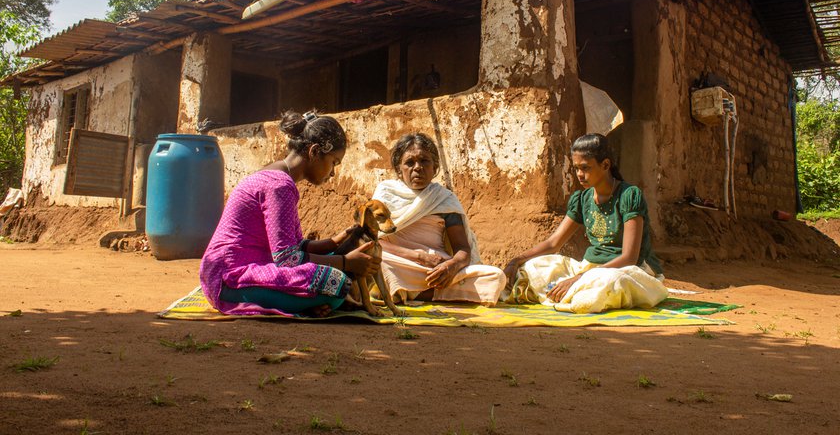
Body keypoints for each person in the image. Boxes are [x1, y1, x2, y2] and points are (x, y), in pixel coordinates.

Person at [199, 111, 380, 317]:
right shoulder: (279, 185)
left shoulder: (278, 178)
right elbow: (288, 259)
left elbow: (294, 247)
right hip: (229, 278)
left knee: (332, 263)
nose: (333, 173)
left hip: (235, 271)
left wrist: (333, 243)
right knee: (336, 282)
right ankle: (303, 301)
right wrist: (347, 263)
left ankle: (300, 302)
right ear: (314, 151)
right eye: (334, 162)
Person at [502, 133, 666, 311]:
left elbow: (629, 257)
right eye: (576, 168)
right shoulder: (582, 199)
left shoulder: (628, 195)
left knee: (612, 282)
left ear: (605, 165)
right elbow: (553, 244)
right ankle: (574, 294)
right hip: (590, 268)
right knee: (533, 267)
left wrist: (581, 277)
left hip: (628, 270)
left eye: (585, 168)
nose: (579, 174)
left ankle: (573, 294)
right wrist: (516, 260)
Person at [372, 133, 506, 306]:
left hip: (436, 269)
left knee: (495, 277)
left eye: (424, 161)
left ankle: (406, 292)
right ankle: (430, 292)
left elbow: (463, 249)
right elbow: (372, 240)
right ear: (399, 170)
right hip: (396, 262)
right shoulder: (385, 193)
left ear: (435, 167)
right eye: (409, 162)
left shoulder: (444, 199)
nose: (418, 167)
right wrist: (418, 256)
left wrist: (451, 266)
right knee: (377, 261)